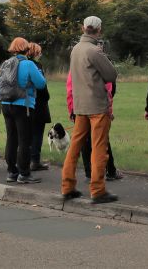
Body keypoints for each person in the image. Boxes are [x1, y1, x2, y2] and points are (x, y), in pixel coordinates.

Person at [60, 17, 119, 204]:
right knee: (99, 148)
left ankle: (67, 186)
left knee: (75, 146)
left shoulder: (76, 49)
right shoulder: (95, 50)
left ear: (83, 28)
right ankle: (98, 189)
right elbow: (111, 75)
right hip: (96, 105)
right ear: (99, 30)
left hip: (80, 105)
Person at [1, 37, 47, 184]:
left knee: (11, 138)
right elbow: (41, 84)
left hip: (6, 103)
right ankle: (24, 173)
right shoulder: (28, 64)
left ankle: (11, 172)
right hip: (23, 104)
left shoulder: (6, 63)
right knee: (24, 140)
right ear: (26, 48)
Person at [66, 71, 122, 181]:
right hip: (97, 109)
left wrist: (71, 110)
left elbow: (70, 90)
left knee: (83, 141)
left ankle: (89, 174)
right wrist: (109, 110)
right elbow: (108, 88)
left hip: (80, 109)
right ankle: (108, 172)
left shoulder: (75, 65)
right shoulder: (99, 61)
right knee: (102, 140)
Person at [27, 43, 51, 172]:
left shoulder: (22, 64)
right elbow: (42, 86)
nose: (40, 54)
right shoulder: (37, 66)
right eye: (39, 52)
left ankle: (27, 159)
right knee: (37, 133)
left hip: (26, 103)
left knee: (28, 133)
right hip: (38, 103)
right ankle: (35, 161)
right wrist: (46, 97)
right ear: (35, 52)